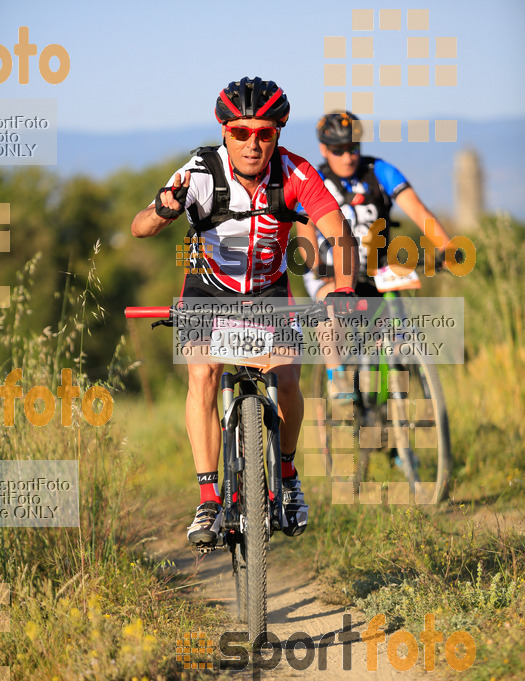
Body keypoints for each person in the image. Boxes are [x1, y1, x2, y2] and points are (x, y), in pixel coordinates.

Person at [131, 78, 360, 546]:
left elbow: (338, 230)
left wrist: (342, 289)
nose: (253, 144)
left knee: (289, 379)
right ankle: (208, 499)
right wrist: (163, 210)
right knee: (204, 375)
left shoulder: (295, 173)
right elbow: (140, 227)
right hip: (207, 291)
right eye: (241, 133)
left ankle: (290, 475)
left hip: (268, 292)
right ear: (224, 130)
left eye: (264, 134)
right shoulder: (198, 172)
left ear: (278, 133)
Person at [296, 111, 453, 399]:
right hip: (331, 269)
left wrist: (445, 247)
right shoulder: (314, 179)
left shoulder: (380, 171)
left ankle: (398, 398)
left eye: (353, 148)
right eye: (338, 150)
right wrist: (316, 268)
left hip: (376, 266)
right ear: (323, 149)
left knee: (398, 328)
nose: (347, 157)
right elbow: (304, 228)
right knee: (330, 312)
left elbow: (417, 210)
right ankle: (338, 378)